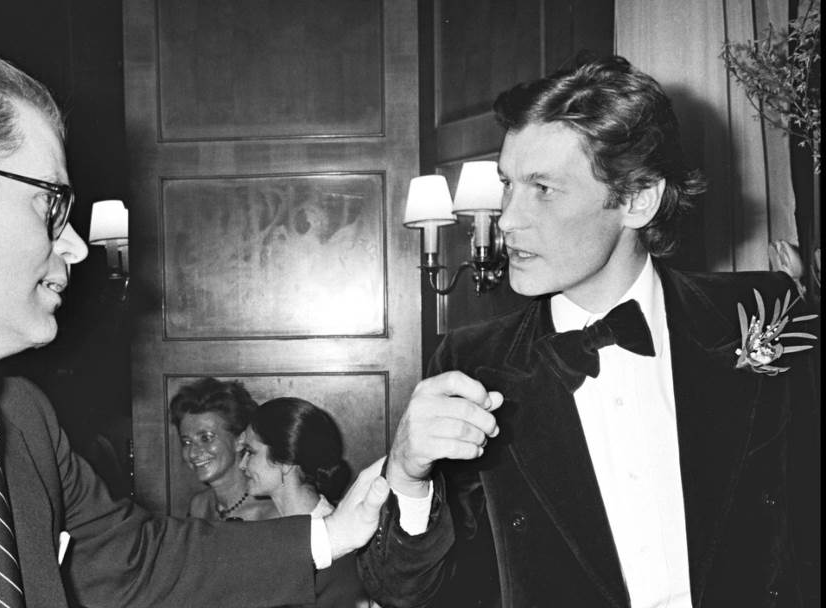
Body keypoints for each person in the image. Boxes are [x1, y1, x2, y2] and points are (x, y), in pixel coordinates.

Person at [0, 42, 390, 608]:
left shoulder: (20, 417)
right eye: (50, 205)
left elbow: (134, 564)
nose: (77, 247)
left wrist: (332, 534)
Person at [357, 55, 820, 607]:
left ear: (637, 200)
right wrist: (409, 477)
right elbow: (404, 592)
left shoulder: (764, 313)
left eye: (543, 188)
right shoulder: (471, 365)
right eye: (508, 184)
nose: (506, 219)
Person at [241, 397, 368, 608]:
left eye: (251, 452)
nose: (242, 464)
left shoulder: (334, 545)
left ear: (284, 462)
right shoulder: (271, 526)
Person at [169, 377, 278, 521]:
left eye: (206, 438)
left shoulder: (270, 514)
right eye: (187, 442)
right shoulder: (198, 506)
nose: (193, 453)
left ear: (240, 440)